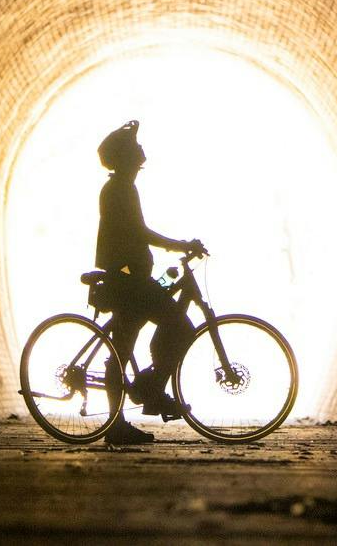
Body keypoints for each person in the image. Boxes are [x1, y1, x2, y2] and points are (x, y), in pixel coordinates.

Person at [93, 120, 205, 445]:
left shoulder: (122, 187)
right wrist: (181, 245)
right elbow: (139, 233)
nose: (141, 148)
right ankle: (149, 394)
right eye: (135, 145)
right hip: (128, 281)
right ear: (126, 156)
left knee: (124, 347)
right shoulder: (120, 189)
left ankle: (144, 396)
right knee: (176, 328)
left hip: (132, 278)